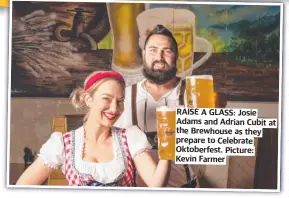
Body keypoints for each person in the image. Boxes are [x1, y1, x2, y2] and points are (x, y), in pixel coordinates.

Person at [114, 24, 226, 188]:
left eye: (167, 51)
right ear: (144, 54)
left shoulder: (196, 95)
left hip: (185, 190)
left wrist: (218, 117)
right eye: (153, 50)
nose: (159, 57)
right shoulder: (124, 97)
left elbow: (211, 146)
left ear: (176, 57)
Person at [16, 70, 170, 187]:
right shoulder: (63, 143)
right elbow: (21, 189)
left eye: (120, 101)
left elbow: (156, 185)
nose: (115, 108)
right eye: (106, 99)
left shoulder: (130, 138)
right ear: (88, 99)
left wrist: (168, 148)